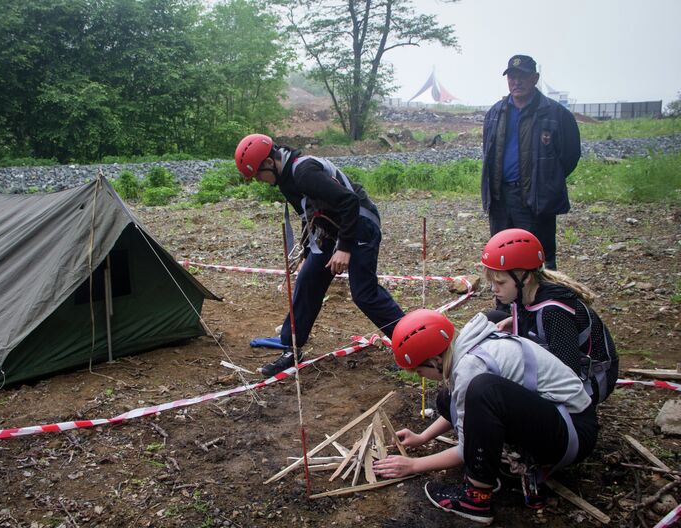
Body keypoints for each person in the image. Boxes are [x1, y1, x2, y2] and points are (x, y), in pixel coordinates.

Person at [372, 309, 598, 525]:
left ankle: (476, 499)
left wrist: (413, 465)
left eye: (420, 372)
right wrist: (422, 437)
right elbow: (463, 414)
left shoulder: (471, 368)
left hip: (572, 432)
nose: (423, 377)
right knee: (448, 398)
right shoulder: (467, 345)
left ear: (435, 361)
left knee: (482, 390)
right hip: (555, 417)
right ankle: (506, 461)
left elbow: (465, 447)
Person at [234, 134, 405, 376]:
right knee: (308, 278)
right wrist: (306, 252)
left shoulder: (303, 173)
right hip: (332, 229)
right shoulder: (285, 180)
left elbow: (349, 201)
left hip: (360, 223)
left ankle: (410, 343)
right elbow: (309, 216)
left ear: (270, 162)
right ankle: (291, 344)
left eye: (259, 175)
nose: (260, 181)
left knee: (364, 294)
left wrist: (345, 248)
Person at [482, 228, 619, 405]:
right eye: (491, 282)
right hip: (565, 368)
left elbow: (568, 373)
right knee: (493, 319)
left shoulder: (554, 312)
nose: (494, 289)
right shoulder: (526, 293)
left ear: (526, 278)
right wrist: (517, 321)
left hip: (589, 383)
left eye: (500, 282)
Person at [481, 54, 581, 270]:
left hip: (535, 198)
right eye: (512, 77)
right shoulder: (495, 113)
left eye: (523, 76)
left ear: (535, 78)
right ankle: (506, 302)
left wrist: (545, 180)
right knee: (502, 253)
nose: (517, 82)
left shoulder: (556, 114)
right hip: (500, 197)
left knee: (539, 257)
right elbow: (488, 153)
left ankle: (543, 302)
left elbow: (570, 156)